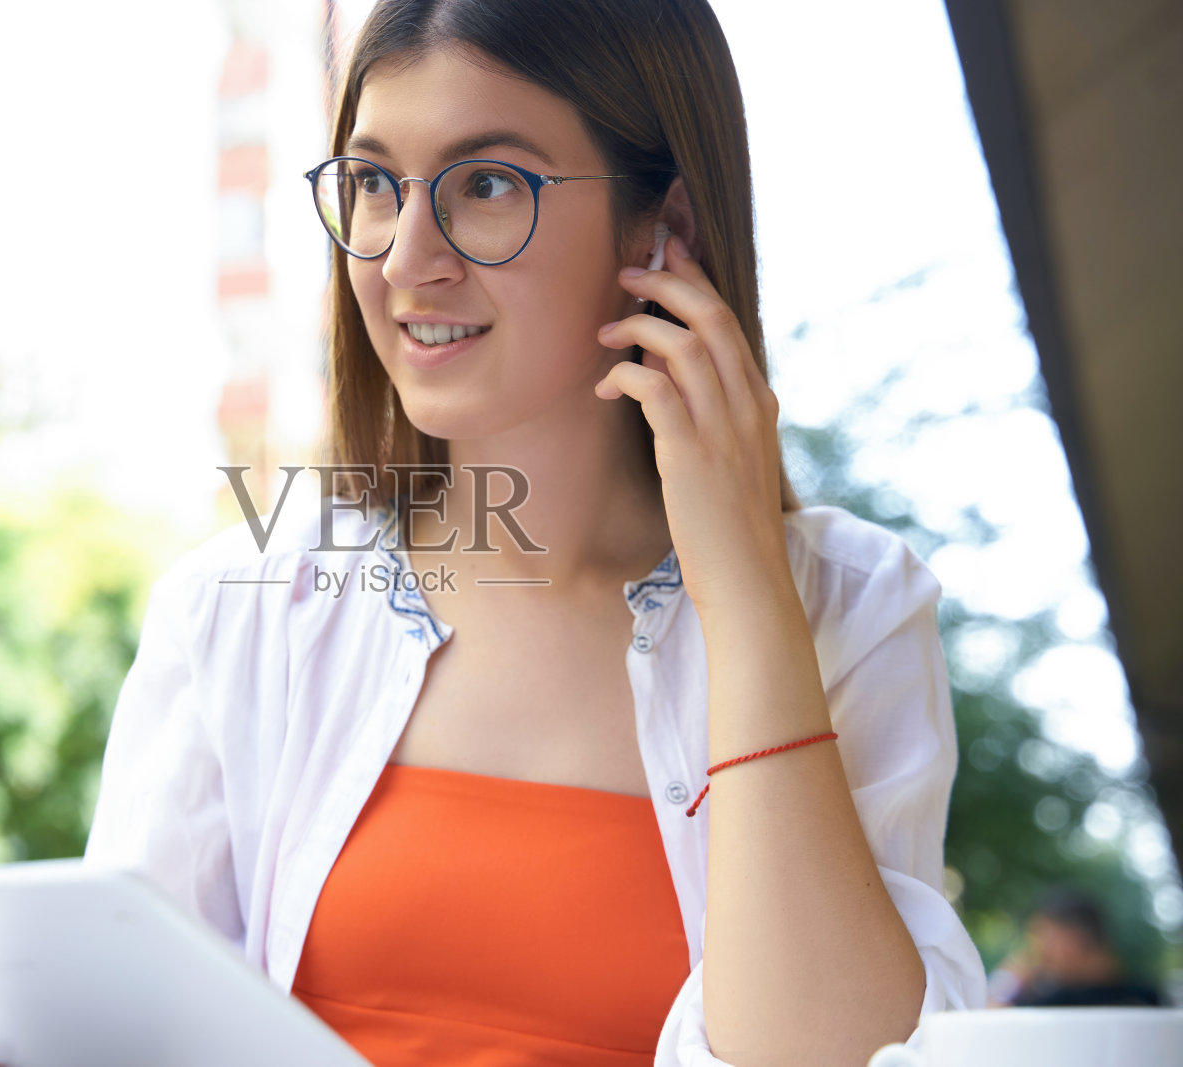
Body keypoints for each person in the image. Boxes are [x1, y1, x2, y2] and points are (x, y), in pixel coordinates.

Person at [84, 1, 987, 1065]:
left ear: (664, 228)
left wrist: (744, 595)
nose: (405, 259)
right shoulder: (245, 600)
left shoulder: (848, 602)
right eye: (375, 184)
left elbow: (831, 1057)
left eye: (487, 184)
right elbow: (109, 1027)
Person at [988, 887, 1165, 1009]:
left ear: (1074, 940)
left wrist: (1008, 979)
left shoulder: (1052, 1005)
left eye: (1043, 938)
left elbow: (986, 1017)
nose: (1040, 953)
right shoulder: (1151, 998)